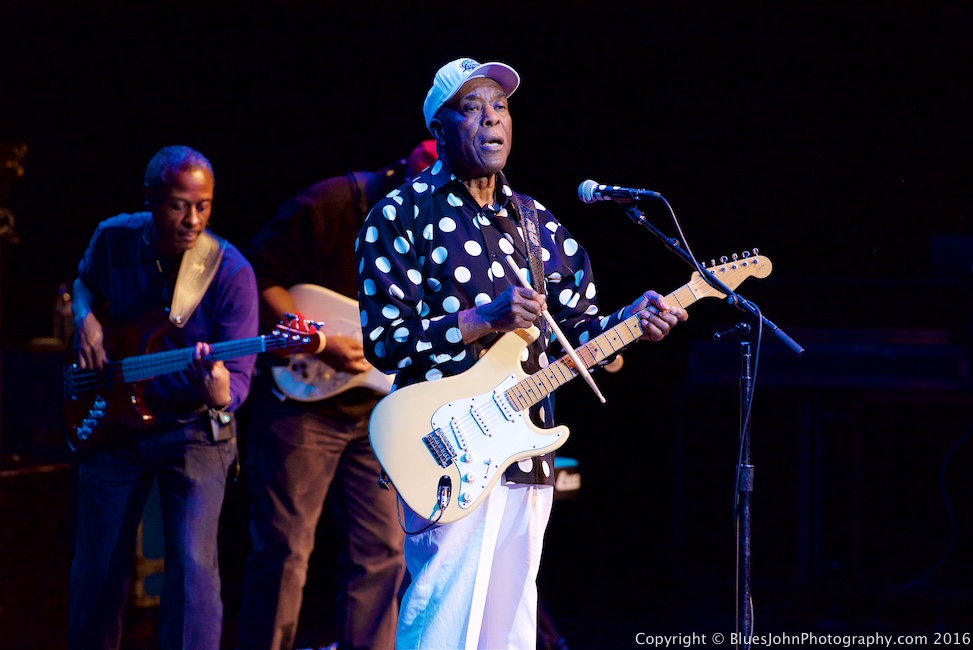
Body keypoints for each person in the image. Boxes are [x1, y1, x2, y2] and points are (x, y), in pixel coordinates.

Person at [355, 58, 688, 649]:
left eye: (500, 107)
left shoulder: (537, 224)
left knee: (509, 628)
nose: (491, 119)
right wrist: (480, 318)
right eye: (470, 108)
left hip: (524, 447)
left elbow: (580, 329)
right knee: (443, 618)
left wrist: (631, 324)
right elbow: (384, 341)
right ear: (439, 126)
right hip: (444, 447)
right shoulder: (399, 215)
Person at [237, 141, 437, 650]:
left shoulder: (441, 228)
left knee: (385, 552)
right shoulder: (331, 205)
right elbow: (255, 275)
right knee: (283, 549)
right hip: (303, 404)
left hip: (383, 414)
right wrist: (319, 344)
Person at [67, 145, 259, 649]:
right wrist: (83, 317)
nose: (192, 220)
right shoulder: (114, 238)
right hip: (113, 422)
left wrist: (217, 390)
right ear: (150, 200)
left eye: (204, 206)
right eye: (178, 205)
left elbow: (234, 387)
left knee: (194, 569)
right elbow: (83, 281)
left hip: (192, 428)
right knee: (96, 570)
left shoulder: (231, 272)